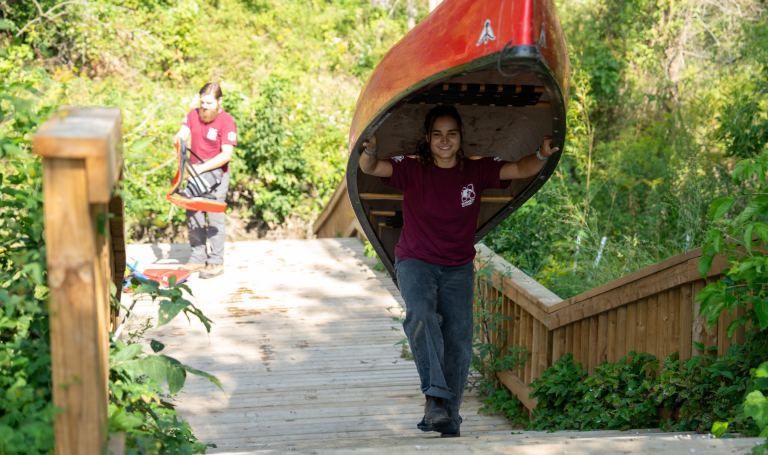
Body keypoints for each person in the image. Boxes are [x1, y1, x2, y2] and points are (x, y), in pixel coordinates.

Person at [359, 105, 558, 437]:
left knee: (459, 341)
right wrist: (370, 149)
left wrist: (541, 153)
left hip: (458, 268)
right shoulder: (411, 169)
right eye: (437, 134)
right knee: (421, 316)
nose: (445, 140)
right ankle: (435, 399)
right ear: (428, 138)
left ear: (461, 137)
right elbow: (370, 165)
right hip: (416, 261)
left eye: (451, 133)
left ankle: (448, 418)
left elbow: (520, 169)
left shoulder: (475, 172)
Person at [174, 83, 237, 279]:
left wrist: (200, 168)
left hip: (217, 176)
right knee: (193, 217)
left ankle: (216, 262)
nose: (205, 106)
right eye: (202, 102)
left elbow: (226, 155)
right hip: (194, 176)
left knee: (215, 219)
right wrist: (178, 140)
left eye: (209, 103)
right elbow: (182, 135)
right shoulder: (193, 115)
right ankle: (197, 258)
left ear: (219, 101)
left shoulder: (227, 122)